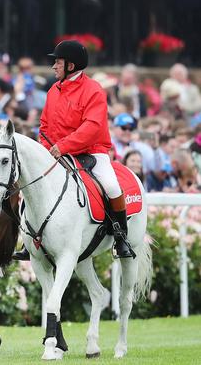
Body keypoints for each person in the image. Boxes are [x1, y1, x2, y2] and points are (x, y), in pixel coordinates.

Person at [12, 40, 134, 261]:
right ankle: (28, 240)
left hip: (92, 151)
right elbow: (45, 125)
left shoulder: (94, 90)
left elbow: (92, 127)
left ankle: (120, 236)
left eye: (57, 62)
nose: (53, 66)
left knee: (111, 186)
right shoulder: (53, 90)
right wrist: (46, 149)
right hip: (57, 152)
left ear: (70, 65)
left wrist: (63, 146)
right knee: (31, 184)